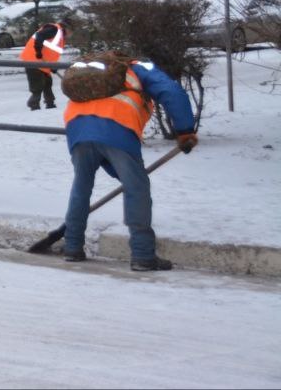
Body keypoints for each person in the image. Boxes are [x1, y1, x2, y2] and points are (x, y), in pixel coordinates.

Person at [60, 55, 197, 271]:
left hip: (77, 127)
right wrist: (185, 129)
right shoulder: (139, 67)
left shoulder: (91, 68)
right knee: (136, 189)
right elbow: (172, 92)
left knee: (81, 186)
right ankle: (143, 255)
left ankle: (72, 246)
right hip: (117, 126)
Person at [21, 18, 71, 110]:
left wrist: (53, 66)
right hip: (33, 60)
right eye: (71, 31)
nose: (71, 34)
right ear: (67, 28)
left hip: (44, 63)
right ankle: (34, 104)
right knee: (37, 85)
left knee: (48, 83)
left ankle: (50, 103)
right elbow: (39, 36)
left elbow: (51, 52)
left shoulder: (60, 36)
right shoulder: (54, 29)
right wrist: (38, 51)